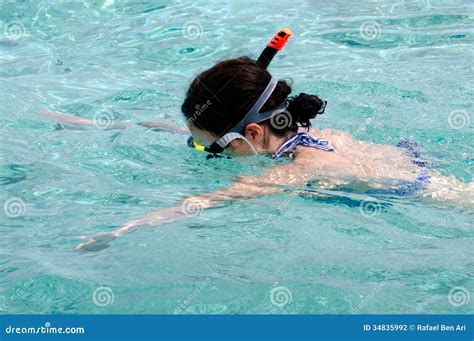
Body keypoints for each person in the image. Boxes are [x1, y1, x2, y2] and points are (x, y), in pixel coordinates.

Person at [41, 32, 472, 251]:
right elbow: (183, 130)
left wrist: (120, 231)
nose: (207, 157)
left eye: (213, 149)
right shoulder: (298, 135)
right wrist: (96, 125)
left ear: (251, 133)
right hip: (406, 160)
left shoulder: (303, 170)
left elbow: (206, 201)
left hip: (429, 197)